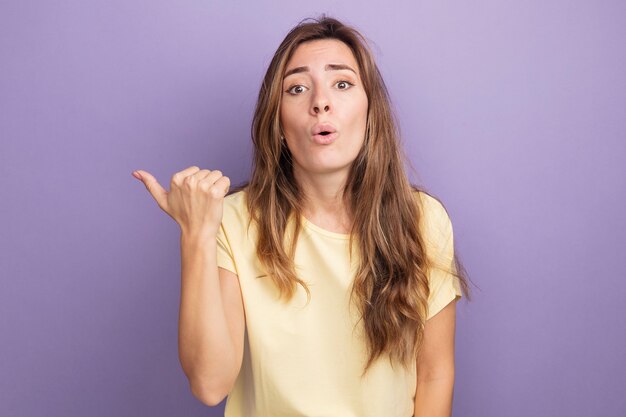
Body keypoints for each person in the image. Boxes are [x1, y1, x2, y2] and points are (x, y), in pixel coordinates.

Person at [132, 15, 470, 417]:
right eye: (297, 88)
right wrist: (197, 233)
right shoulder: (235, 222)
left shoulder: (423, 220)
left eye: (341, 83)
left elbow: (434, 373)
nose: (320, 102)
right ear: (277, 123)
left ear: (370, 112)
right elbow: (210, 383)